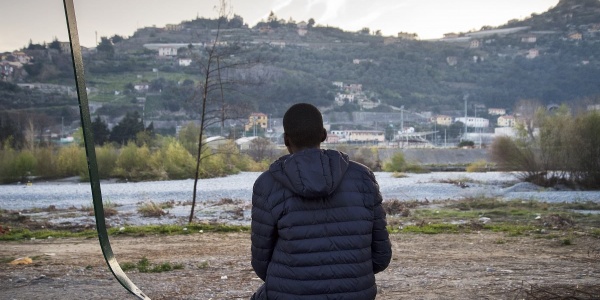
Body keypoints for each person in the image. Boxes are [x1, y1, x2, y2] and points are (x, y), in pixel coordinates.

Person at [251, 103, 392, 300]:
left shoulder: (267, 184)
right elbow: (381, 256)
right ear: (324, 135)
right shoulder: (363, 177)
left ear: (285, 139)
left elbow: (261, 263)